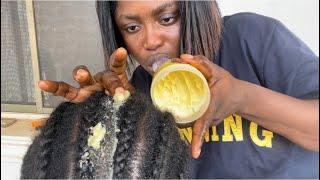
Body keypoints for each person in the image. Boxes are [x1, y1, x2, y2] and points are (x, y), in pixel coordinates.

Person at [38, 1, 319, 178]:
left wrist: (241, 97)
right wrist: (102, 122)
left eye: (167, 19)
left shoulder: (252, 38)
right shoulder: (138, 88)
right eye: (132, 27)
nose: (151, 41)